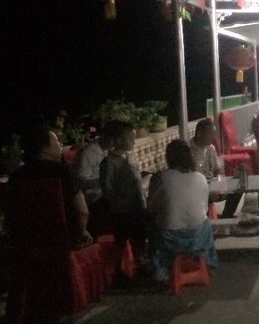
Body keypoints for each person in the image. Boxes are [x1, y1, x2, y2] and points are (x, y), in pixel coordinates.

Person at [147, 140, 218, 285]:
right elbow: (205, 209)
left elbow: (152, 208)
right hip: (198, 236)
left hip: (170, 238)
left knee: (150, 223)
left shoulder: (161, 178)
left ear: (168, 157)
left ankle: (160, 268)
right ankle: (205, 261)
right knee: (204, 221)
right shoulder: (200, 178)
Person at [9, 125, 93, 248]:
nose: (60, 145)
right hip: (64, 238)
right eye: (57, 141)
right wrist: (82, 232)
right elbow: (82, 211)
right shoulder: (63, 171)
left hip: (29, 242)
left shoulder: (16, 176)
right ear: (45, 148)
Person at [99, 121, 147, 264]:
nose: (134, 142)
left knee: (139, 239)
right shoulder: (109, 162)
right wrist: (119, 200)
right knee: (121, 241)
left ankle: (140, 264)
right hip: (121, 211)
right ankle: (119, 269)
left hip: (138, 206)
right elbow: (107, 187)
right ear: (119, 141)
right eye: (131, 139)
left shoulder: (130, 157)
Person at [189, 117, 242, 218]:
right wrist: (209, 190)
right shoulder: (188, 150)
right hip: (197, 188)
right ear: (199, 134)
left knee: (238, 187)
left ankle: (226, 217)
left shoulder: (211, 148)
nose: (213, 137)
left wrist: (219, 185)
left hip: (211, 184)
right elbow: (190, 178)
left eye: (214, 134)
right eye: (211, 134)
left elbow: (216, 169)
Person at [73, 121, 119, 236]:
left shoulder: (108, 150)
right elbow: (79, 183)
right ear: (104, 136)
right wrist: (103, 181)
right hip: (94, 198)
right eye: (113, 138)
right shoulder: (88, 153)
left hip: (105, 192)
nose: (116, 142)